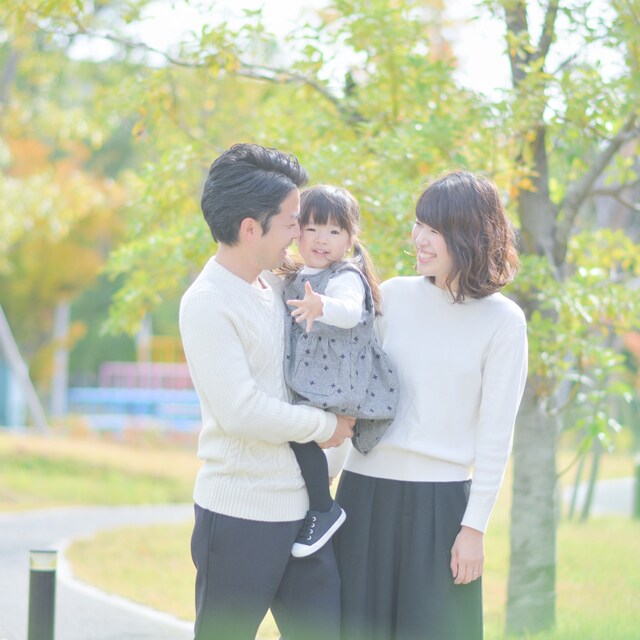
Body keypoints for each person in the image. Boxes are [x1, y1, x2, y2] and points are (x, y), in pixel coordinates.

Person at [332, 170, 529, 640]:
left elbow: (496, 435)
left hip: (442, 507)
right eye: (419, 224)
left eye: (434, 229)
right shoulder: (391, 296)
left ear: (469, 235)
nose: (418, 238)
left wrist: (474, 529)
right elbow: (350, 396)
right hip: (363, 494)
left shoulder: (503, 322)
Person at [179, 143, 354, 640]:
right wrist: (326, 426)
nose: (300, 233)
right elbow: (241, 411)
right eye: (292, 222)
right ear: (250, 228)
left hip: (305, 512)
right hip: (239, 517)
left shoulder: (277, 287)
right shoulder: (207, 302)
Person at [281, 185, 399, 558]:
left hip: (338, 381)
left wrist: (322, 306)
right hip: (315, 381)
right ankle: (318, 503)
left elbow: (349, 311)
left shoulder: (344, 276)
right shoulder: (296, 274)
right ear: (296, 231)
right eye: (312, 228)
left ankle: (322, 508)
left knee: (309, 438)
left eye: (334, 231)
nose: (322, 239)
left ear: (350, 239)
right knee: (313, 443)